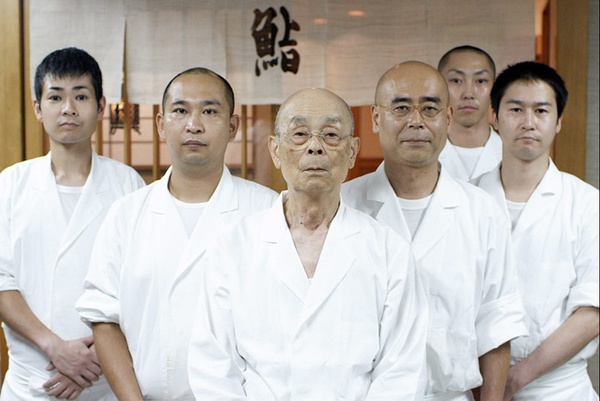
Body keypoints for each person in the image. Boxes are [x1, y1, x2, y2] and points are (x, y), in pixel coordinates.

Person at [187, 88, 429, 400]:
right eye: (300, 134)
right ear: (275, 150)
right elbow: (213, 366)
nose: (315, 147)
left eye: (331, 135)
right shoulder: (233, 247)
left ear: (352, 151)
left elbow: (402, 371)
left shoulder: (388, 251)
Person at [75, 67, 277, 400]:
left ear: (232, 126)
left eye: (209, 111)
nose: (193, 124)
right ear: (160, 123)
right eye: (180, 110)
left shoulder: (267, 211)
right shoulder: (127, 214)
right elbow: (103, 317)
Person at [342, 61, 527, 401]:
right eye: (401, 108)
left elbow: (496, 325)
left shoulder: (482, 212)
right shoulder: (343, 205)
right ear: (376, 118)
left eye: (429, 108)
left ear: (448, 117)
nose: (416, 121)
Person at [0, 47, 145, 400]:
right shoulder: (11, 184)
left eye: (81, 96)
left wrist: (93, 359)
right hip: (29, 383)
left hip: (106, 380)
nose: (68, 108)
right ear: (38, 108)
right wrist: (55, 348)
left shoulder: (128, 185)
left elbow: (141, 286)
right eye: (55, 97)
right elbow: (2, 280)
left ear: (100, 106)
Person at [477, 61, 599, 401]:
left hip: (560, 389)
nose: (528, 122)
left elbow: (593, 312)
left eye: (541, 110)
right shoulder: (466, 199)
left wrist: (513, 380)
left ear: (558, 121)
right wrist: (490, 385)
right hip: (476, 385)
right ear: (494, 117)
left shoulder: (588, 203)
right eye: (516, 109)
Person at [437, 45, 501, 183]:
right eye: (456, 81)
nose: (468, 93)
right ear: (438, 85)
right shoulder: (422, 155)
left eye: (480, 81)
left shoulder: (510, 154)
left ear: (495, 88)